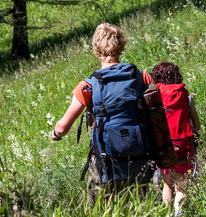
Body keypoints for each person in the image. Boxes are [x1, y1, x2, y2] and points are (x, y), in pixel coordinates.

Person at [50, 22, 154, 203]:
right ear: (121, 46)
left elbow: (63, 126)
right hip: (139, 162)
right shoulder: (142, 77)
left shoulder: (88, 87)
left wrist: (55, 134)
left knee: (101, 216)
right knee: (138, 215)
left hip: (105, 165)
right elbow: (157, 116)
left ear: (96, 49)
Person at [143, 62, 200, 215]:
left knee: (167, 185)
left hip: (163, 147)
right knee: (181, 187)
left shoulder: (155, 95)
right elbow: (197, 126)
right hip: (183, 147)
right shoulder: (185, 94)